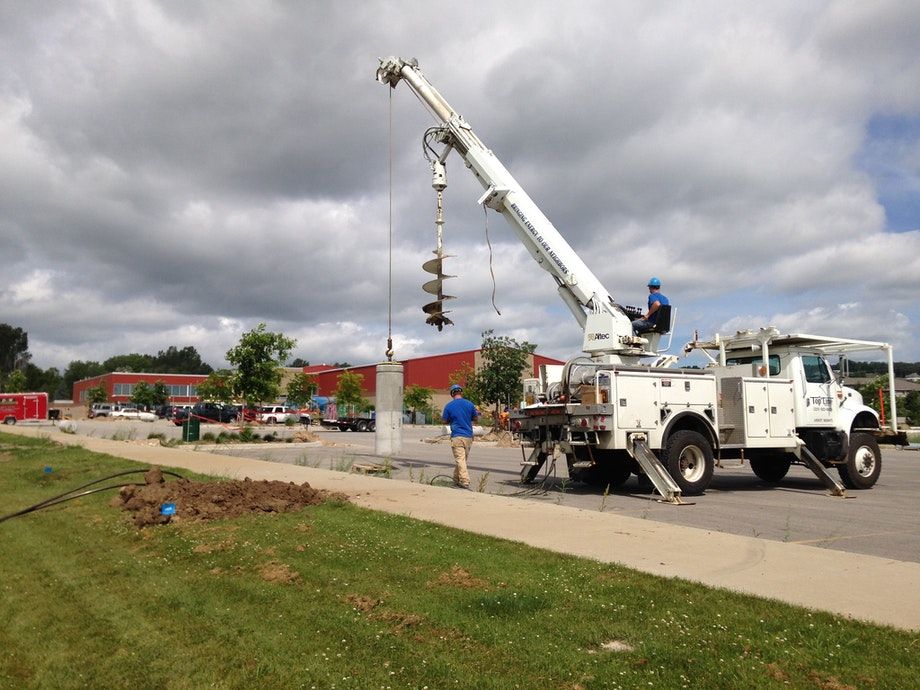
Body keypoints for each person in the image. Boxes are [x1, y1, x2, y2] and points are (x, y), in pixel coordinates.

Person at [441, 384, 479, 488]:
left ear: (452, 394)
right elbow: (476, 419)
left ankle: (465, 481)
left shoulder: (449, 406)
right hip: (468, 436)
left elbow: (444, 420)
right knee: (462, 459)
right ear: (461, 392)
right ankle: (455, 479)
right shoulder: (470, 404)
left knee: (460, 459)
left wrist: (450, 420)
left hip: (457, 436)